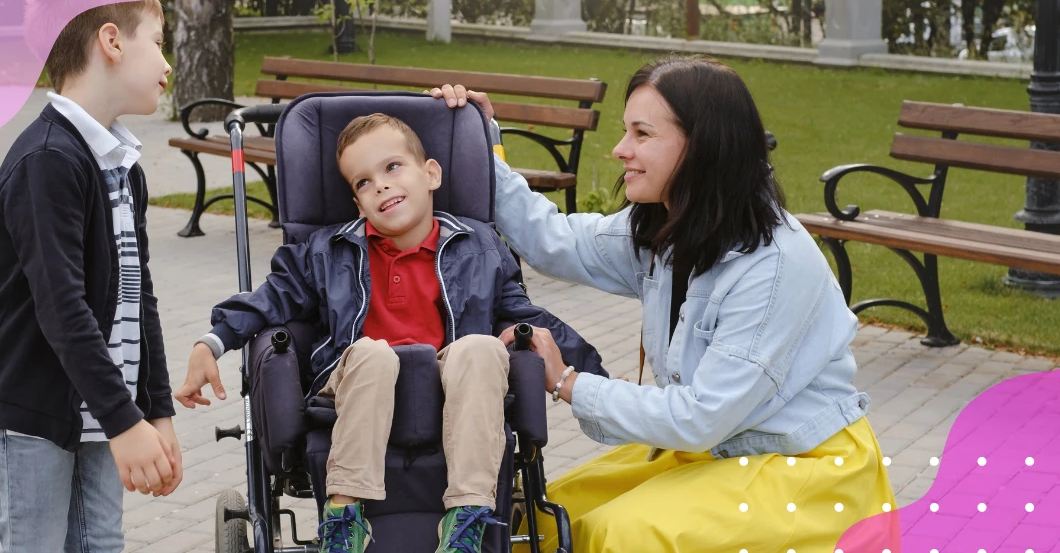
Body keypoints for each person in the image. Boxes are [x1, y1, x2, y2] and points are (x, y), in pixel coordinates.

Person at [430, 55, 897, 552]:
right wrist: (480, 139)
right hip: (716, 451)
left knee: (623, 536)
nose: (619, 150)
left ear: (702, 148)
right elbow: (553, 240)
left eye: (642, 134)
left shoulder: (775, 265)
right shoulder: (668, 229)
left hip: (803, 467)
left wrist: (568, 381)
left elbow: (700, 418)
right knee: (540, 519)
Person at [174, 113, 604, 553]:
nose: (379, 185)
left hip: (449, 387)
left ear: (431, 173)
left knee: (481, 348)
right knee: (374, 355)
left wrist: (594, 379)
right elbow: (272, 298)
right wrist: (214, 341)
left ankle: (467, 522)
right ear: (358, 204)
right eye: (362, 182)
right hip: (356, 382)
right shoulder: (327, 251)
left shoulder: (478, 245)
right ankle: (344, 520)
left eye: (392, 167)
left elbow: (528, 315)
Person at [0, 0, 180, 553]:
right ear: (111, 41)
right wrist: (125, 419)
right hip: (36, 410)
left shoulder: (118, 163)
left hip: (101, 405)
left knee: (100, 543)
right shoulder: (48, 160)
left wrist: (154, 409)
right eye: (157, 44)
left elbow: (141, 295)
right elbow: (62, 308)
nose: (166, 65)